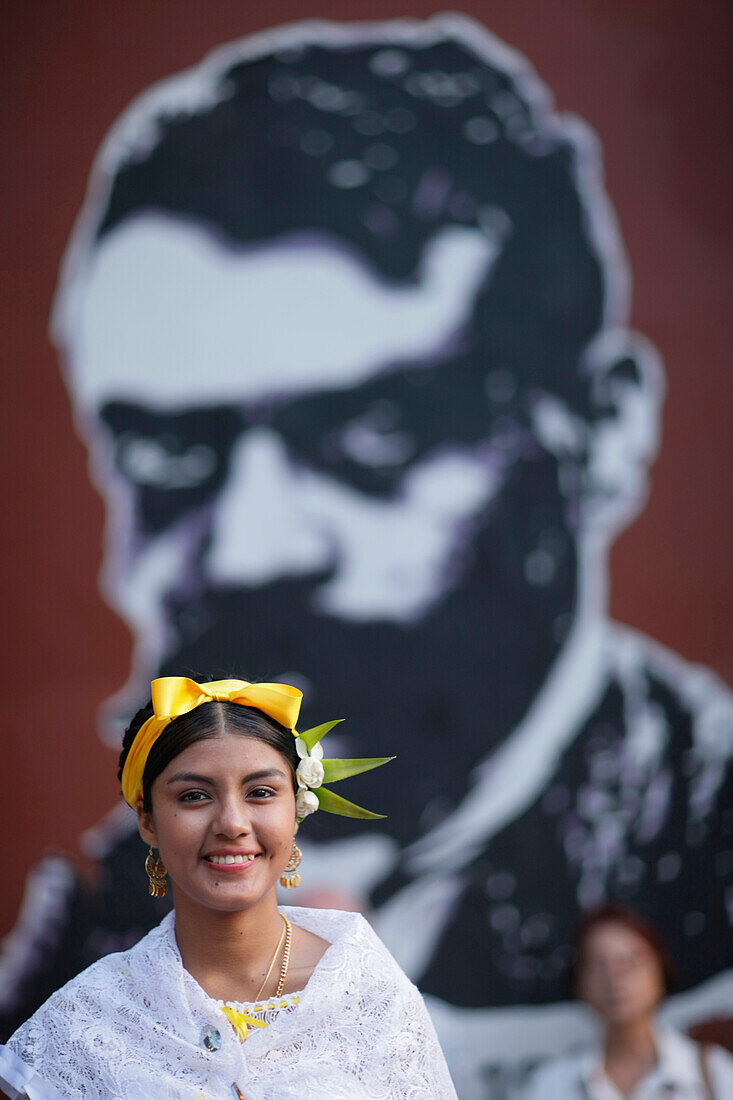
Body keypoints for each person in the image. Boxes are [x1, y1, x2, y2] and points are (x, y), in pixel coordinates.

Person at [3, 15, 731, 1093]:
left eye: (371, 440)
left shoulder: (700, 825)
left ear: (604, 431)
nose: (252, 545)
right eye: (171, 450)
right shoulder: (84, 946)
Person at [0, 677, 457, 1098]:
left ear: (297, 809)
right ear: (147, 821)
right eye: (194, 796)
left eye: (260, 793)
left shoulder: (369, 997)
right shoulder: (86, 1023)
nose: (233, 824)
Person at [522, 902, 733, 1099]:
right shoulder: (551, 1085)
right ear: (579, 983)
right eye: (598, 964)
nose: (614, 978)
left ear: (660, 971)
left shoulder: (711, 1072)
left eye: (630, 962)